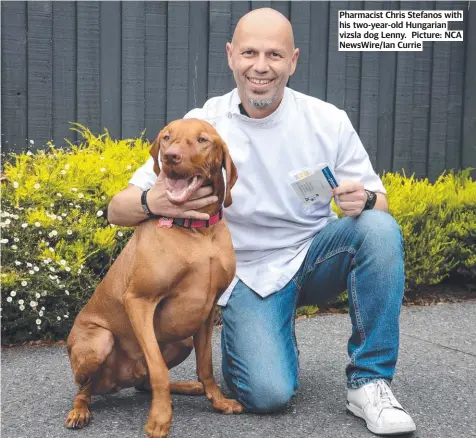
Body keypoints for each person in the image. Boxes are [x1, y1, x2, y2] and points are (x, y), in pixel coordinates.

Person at [108, 8, 416, 436]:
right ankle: (269, 330)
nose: (261, 66)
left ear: (293, 61)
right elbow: (116, 210)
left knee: (379, 229)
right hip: (244, 278)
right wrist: (153, 199)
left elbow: (379, 205)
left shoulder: (327, 120)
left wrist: (362, 198)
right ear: (231, 56)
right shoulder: (203, 125)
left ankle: (370, 382)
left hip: (312, 255)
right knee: (267, 394)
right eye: (250, 52)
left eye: (274, 54)